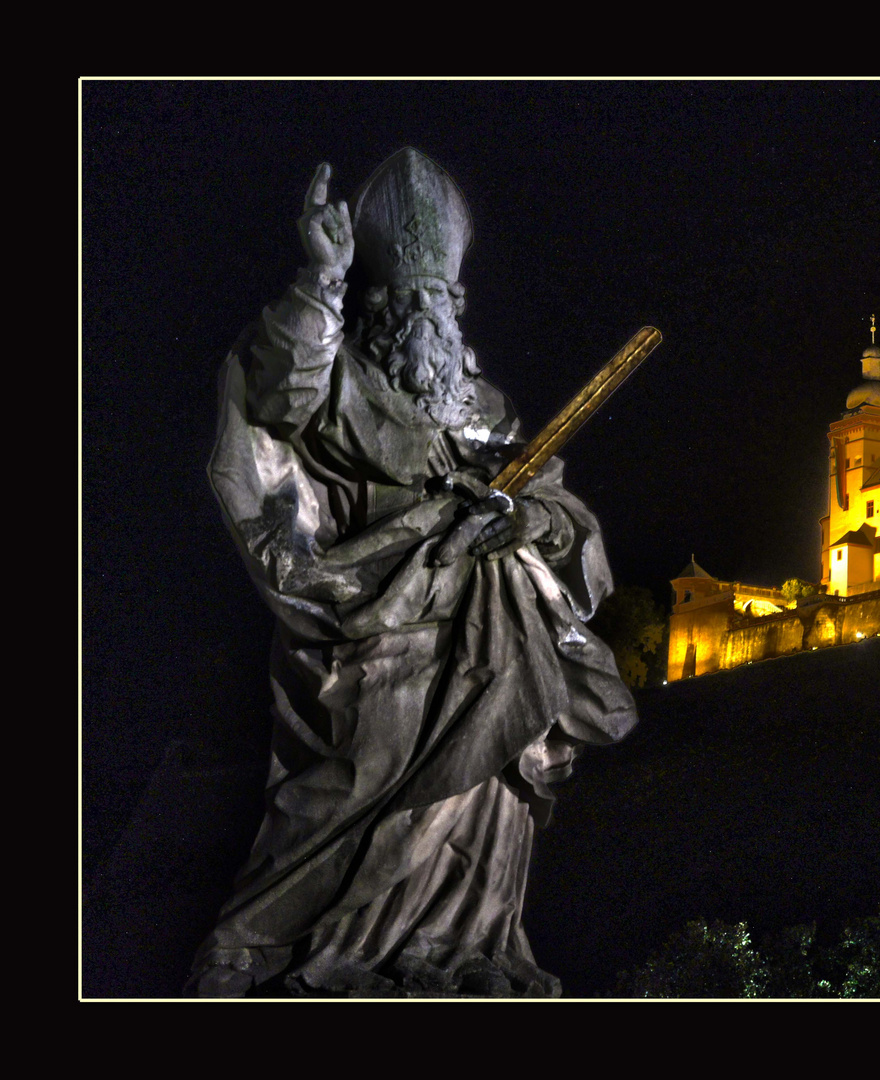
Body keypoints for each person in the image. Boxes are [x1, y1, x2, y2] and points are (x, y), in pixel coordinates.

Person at [188, 148, 637, 997]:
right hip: (370, 631)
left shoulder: (489, 411)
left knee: (485, 789)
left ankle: (464, 947)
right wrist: (321, 281)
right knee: (362, 780)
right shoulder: (340, 387)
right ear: (376, 311)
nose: (425, 321)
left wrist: (523, 519)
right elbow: (282, 392)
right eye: (405, 303)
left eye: (439, 305)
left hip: (492, 637)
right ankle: (310, 955)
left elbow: (561, 514)